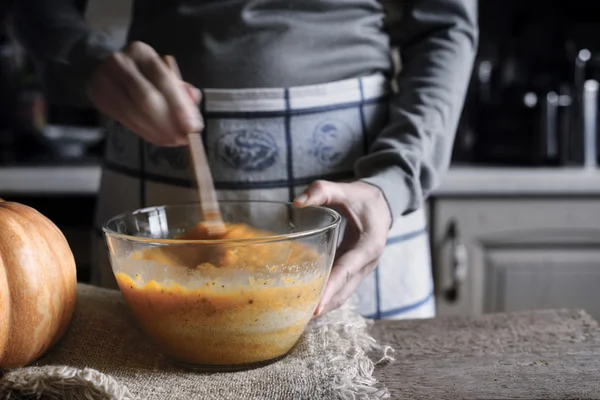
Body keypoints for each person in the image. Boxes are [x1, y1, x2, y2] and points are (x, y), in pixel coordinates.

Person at [12, 0, 478, 320]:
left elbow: (445, 24)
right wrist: (85, 60)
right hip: (152, 147)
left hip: (359, 181)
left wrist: (394, 177)